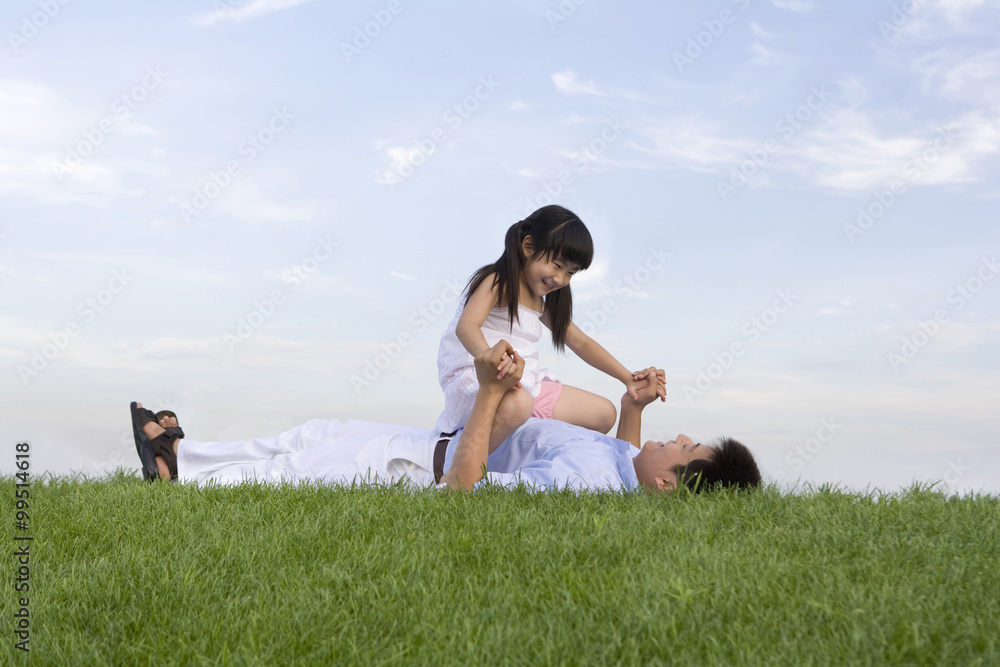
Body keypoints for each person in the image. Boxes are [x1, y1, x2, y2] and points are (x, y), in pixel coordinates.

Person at [132, 341, 761, 493]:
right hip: (427, 438)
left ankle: (178, 481)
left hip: (424, 466)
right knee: (312, 433)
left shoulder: (584, 483)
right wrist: (630, 409)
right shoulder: (626, 467)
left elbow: (470, 492)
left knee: (303, 465)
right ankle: (182, 456)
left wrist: (490, 395)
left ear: (670, 482)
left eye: (687, 448)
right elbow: (629, 454)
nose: (680, 437)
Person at [436, 205, 665, 454]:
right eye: (557, 265)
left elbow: (581, 342)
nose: (560, 279)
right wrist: (492, 362)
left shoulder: (540, 303)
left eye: (570, 273)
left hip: (522, 384)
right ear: (528, 247)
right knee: (520, 403)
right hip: (477, 378)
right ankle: (455, 463)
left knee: (604, 414)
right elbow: (467, 327)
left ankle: (511, 448)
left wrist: (628, 378)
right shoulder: (497, 281)